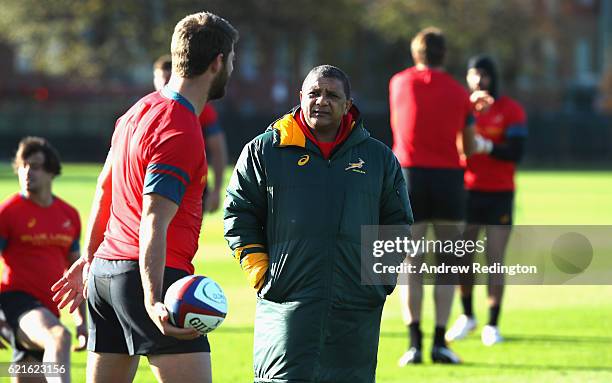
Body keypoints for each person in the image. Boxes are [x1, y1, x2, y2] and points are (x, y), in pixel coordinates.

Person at [51, 12, 238, 383]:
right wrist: (154, 297)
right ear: (218, 62)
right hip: (150, 276)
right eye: (232, 59)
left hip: (105, 275)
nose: (232, 66)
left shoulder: (137, 110)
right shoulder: (181, 128)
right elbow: (154, 216)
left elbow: (104, 188)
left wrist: (88, 260)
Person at [224, 65, 413, 382]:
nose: (321, 101)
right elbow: (239, 214)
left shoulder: (378, 158)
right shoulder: (264, 151)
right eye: (314, 93)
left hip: (355, 307)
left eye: (331, 95)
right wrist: (260, 271)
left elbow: (397, 223)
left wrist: (379, 279)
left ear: (347, 104)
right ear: (301, 98)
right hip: (286, 301)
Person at [389, 27, 480, 365]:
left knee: (411, 264)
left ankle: (414, 344)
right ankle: (440, 342)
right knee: (447, 265)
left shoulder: (398, 83)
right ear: (446, 55)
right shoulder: (460, 93)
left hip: (409, 178)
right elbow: (468, 147)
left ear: (416, 54)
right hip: (448, 181)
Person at [445, 55, 527, 346]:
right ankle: (467, 316)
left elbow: (516, 152)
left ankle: (492, 324)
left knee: (494, 260)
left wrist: (487, 145)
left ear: (494, 78)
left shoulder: (511, 110)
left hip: (500, 193)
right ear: (467, 77)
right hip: (467, 192)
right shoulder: (460, 107)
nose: (479, 80)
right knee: (462, 258)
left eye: (484, 75)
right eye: (473, 74)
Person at [0, 137, 87, 383]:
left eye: (36, 166)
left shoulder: (69, 215)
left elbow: (75, 273)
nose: (28, 172)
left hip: (48, 310)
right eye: (23, 166)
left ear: (51, 172)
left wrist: (82, 321)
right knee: (58, 337)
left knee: (32, 372)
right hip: (15, 304)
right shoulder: (8, 212)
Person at [153, 55, 229, 213]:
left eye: (169, 78)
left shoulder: (200, 109)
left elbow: (218, 148)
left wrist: (217, 190)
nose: (165, 83)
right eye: (162, 78)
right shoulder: (145, 110)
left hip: (191, 183)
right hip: (153, 182)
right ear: (154, 78)